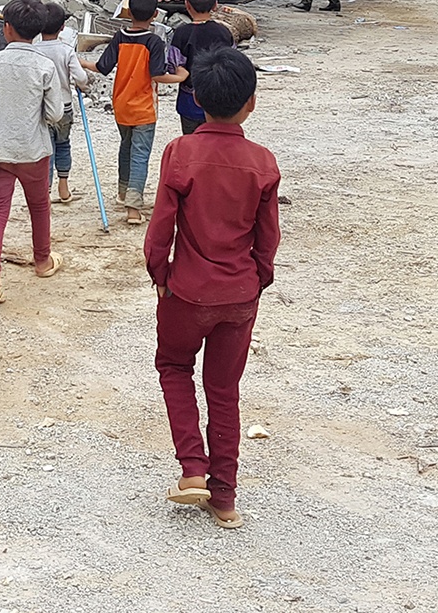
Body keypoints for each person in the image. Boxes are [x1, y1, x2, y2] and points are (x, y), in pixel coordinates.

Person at [145, 46, 280, 531]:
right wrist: (259, 279)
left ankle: (193, 468)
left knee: (173, 365)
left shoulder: (181, 153)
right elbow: (269, 237)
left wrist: (159, 274)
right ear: (252, 103)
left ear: (195, 96)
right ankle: (224, 497)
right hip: (239, 294)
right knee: (224, 390)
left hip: (185, 291)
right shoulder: (262, 162)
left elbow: (162, 225)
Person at [0, 0, 67, 303]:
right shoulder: (45, 66)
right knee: (39, 207)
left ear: (6, 29)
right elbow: (54, 114)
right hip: (33, 149)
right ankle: (42, 261)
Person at [96, 0, 184, 224]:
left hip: (121, 104)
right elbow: (157, 75)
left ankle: (123, 192)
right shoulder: (153, 41)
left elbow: (102, 66)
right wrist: (179, 77)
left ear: (128, 12)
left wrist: (78, 62)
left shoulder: (120, 37)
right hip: (144, 107)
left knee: (125, 147)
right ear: (155, 14)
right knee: (140, 155)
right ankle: (134, 208)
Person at [30, 0, 91, 204]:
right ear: (63, 27)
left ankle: (44, 192)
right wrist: (84, 86)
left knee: (46, 150)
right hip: (64, 107)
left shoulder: (34, 50)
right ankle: (63, 188)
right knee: (63, 145)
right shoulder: (66, 51)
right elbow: (81, 77)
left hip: (42, 108)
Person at [170, 0, 236, 136]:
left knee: (192, 144)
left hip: (189, 101)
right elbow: (232, 62)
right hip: (218, 100)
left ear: (187, 5)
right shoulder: (224, 32)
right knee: (215, 143)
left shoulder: (181, 33)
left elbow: (173, 64)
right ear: (215, 5)